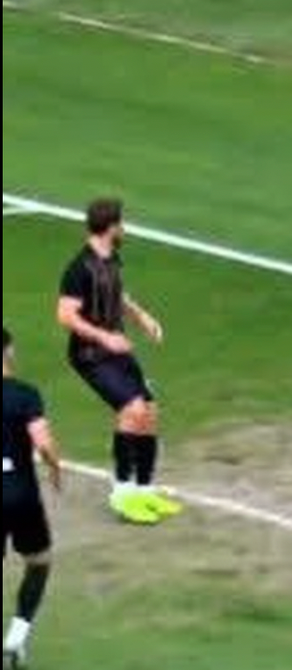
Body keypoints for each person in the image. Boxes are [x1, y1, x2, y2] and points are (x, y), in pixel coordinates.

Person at [56, 198, 182, 525]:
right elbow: (65, 315)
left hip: (116, 350)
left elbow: (117, 293)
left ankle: (144, 490)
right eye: (121, 224)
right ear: (111, 227)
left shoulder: (111, 259)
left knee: (149, 411)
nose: (124, 229)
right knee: (132, 410)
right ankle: (123, 493)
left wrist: (142, 317)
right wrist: (105, 337)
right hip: (90, 355)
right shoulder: (79, 268)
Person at [3, 327, 62, 669]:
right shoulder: (25, 394)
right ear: (8, 351)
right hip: (21, 495)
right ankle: (17, 634)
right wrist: (55, 468)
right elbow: (42, 442)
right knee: (39, 562)